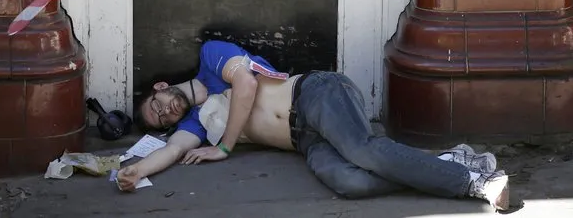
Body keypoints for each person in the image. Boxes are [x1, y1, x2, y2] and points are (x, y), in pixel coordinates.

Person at [117, 41, 509, 211]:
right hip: (303, 141)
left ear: (161, 87)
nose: (166, 113)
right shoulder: (194, 124)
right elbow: (171, 149)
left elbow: (247, 83)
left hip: (315, 94)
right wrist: (134, 172)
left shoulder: (211, 58)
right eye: (161, 120)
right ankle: (449, 161)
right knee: (350, 183)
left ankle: (475, 184)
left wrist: (224, 147)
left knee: (363, 150)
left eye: (158, 105)